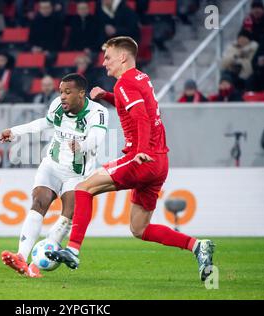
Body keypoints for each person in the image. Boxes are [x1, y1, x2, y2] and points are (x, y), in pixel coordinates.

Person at [46, 37, 215, 282]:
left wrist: (140, 151)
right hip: (160, 162)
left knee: (83, 188)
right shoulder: (140, 78)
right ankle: (197, 246)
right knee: (140, 228)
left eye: (108, 57)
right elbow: (135, 107)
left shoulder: (124, 82)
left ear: (122, 57)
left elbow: (141, 118)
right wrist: (106, 95)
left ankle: (72, 249)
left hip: (142, 158)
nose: (104, 63)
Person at [0, 73, 109, 278]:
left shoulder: (98, 112)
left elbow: (96, 137)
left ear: (81, 94)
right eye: (61, 92)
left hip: (77, 175)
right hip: (52, 165)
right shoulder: (57, 105)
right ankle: (21, 257)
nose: (63, 96)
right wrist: (15, 132)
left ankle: (36, 265)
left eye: (68, 92)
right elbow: (44, 123)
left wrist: (82, 146)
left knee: (68, 214)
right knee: (39, 201)